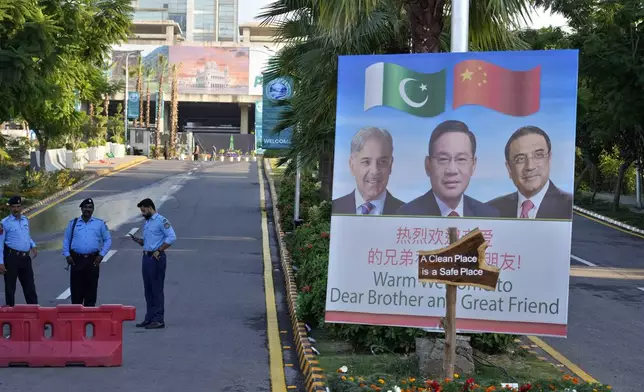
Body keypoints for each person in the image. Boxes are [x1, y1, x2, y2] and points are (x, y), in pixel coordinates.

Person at [397, 120, 499, 217]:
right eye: (443, 159)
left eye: (461, 159)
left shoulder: (488, 216)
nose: (452, 170)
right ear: (428, 165)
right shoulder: (406, 216)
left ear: (473, 165)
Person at [486, 126, 573, 219]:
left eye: (538, 155)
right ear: (509, 168)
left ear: (549, 159)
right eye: (520, 159)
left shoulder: (570, 207)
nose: (530, 167)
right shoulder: (490, 210)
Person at [332, 126, 404, 215]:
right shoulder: (334, 209)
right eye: (366, 162)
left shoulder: (406, 213)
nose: (374, 171)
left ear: (390, 165)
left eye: (382, 162)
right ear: (352, 166)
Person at [130, 198, 176, 329]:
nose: (143, 214)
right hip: (146, 257)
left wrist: (160, 250)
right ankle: (149, 317)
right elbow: (150, 241)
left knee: (156, 289)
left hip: (156, 258)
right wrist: (140, 241)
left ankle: (158, 319)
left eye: (144, 211)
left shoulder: (161, 221)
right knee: (148, 290)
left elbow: (172, 237)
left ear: (150, 207)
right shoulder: (148, 222)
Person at [62, 198, 112, 306]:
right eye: (85, 207)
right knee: (76, 292)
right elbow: (66, 239)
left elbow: (108, 240)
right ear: (81, 209)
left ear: (93, 209)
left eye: (90, 207)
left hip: (92, 260)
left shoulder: (99, 224)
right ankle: (76, 319)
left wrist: (101, 255)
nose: (87, 210)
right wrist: (67, 254)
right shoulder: (73, 223)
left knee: (91, 291)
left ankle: (89, 318)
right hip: (76, 260)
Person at [0, 196, 39, 306]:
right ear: (10, 208)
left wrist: (33, 245)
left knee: (30, 288)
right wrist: (1, 262)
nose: (16, 209)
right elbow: (0, 244)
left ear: (21, 207)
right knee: (10, 289)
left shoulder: (25, 220)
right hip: (12, 258)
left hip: (25, 259)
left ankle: (35, 315)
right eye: (13, 207)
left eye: (18, 207)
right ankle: (10, 319)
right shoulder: (4, 223)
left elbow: (26, 235)